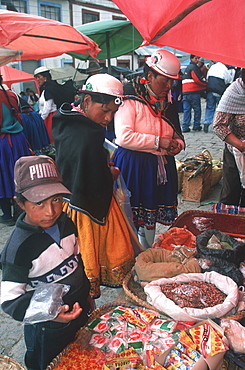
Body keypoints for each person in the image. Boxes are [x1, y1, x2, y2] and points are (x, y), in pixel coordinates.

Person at [0, 155, 91, 370]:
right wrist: (50, 315)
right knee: (47, 363)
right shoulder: (18, 249)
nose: (50, 211)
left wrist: (86, 293)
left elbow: (76, 260)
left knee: (77, 358)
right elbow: (9, 300)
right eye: (38, 203)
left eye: (56, 200)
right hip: (46, 328)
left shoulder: (66, 223)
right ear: (20, 203)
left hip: (78, 308)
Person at [52, 74, 135, 298]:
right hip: (84, 205)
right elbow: (90, 174)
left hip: (70, 197)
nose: (108, 118)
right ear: (86, 101)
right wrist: (111, 173)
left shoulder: (66, 119)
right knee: (89, 254)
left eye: (113, 113)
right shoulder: (86, 133)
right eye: (104, 110)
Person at [112, 49, 185, 249]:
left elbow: (176, 131)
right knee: (133, 212)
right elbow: (124, 137)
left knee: (151, 210)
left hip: (161, 165)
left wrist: (177, 145)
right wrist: (158, 142)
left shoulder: (167, 101)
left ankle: (146, 251)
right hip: (134, 164)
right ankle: (132, 250)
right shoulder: (130, 99)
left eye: (173, 81)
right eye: (165, 80)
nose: (170, 86)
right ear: (150, 76)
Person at [0, 76, 31, 226]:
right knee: (20, 175)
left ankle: (6, 215)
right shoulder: (12, 95)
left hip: (2, 142)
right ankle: (22, 211)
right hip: (18, 139)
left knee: (2, 176)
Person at [213, 68, 245, 207]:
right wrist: (241, 146)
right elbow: (219, 126)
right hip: (236, 151)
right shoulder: (234, 92)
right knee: (230, 192)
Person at [203, 62, 233, 132]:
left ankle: (207, 121)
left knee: (210, 107)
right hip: (219, 90)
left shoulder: (212, 67)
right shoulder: (224, 69)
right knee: (221, 109)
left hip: (210, 90)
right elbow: (228, 80)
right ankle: (220, 124)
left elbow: (207, 78)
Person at [182, 55, 207, 132]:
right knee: (197, 109)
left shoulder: (187, 67)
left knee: (187, 110)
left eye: (198, 58)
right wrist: (206, 85)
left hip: (185, 92)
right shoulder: (194, 67)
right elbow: (197, 80)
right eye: (196, 58)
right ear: (191, 59)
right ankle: (196, 125)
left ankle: (185, 126)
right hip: (193, 91)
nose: (197, 60)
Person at [34, 67, 58, 143]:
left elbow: (48, 107)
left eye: (39, 77)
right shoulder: (45, 89)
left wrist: (41, 119)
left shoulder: (48, 89)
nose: (37, 79)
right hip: (48, 115)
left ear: (45, 77)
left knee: (50, 137)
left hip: (50, 116)